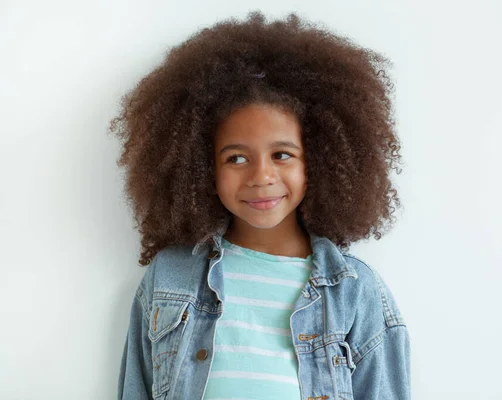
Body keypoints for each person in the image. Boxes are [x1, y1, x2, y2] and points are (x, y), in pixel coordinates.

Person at [111, 10, 410, 400]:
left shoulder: (356, 293)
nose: (260, 176)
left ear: (317, 159)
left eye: (282, 155)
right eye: (236, 158)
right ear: (201, 167)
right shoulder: (170, 279)